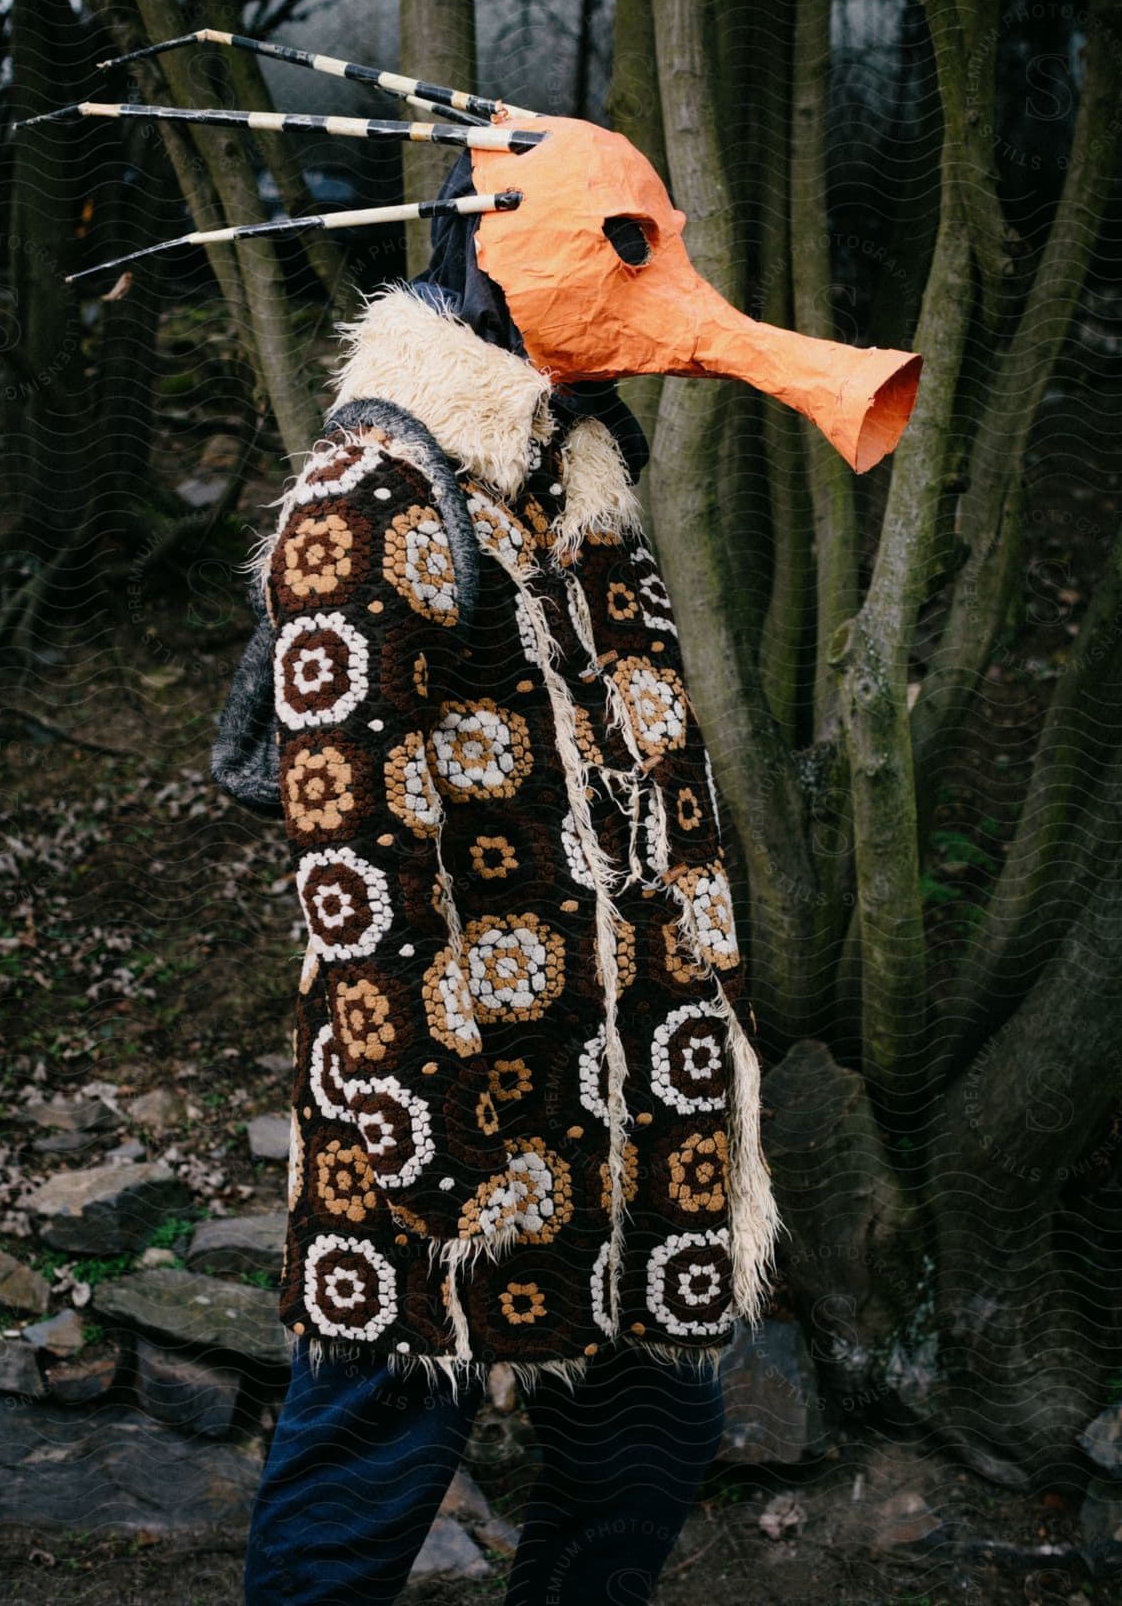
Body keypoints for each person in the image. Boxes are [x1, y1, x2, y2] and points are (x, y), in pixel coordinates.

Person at [202, 108, 921, 1604]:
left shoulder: (580, 486)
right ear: (491, 247)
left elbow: (662, 773)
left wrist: (700, 1020)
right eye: (623, 253)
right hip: (453, 1108)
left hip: (640, 1091)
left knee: (651, 1441)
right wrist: (425, 1128)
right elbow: (352, 862)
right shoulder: (368, 501)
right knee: (372, 1456)